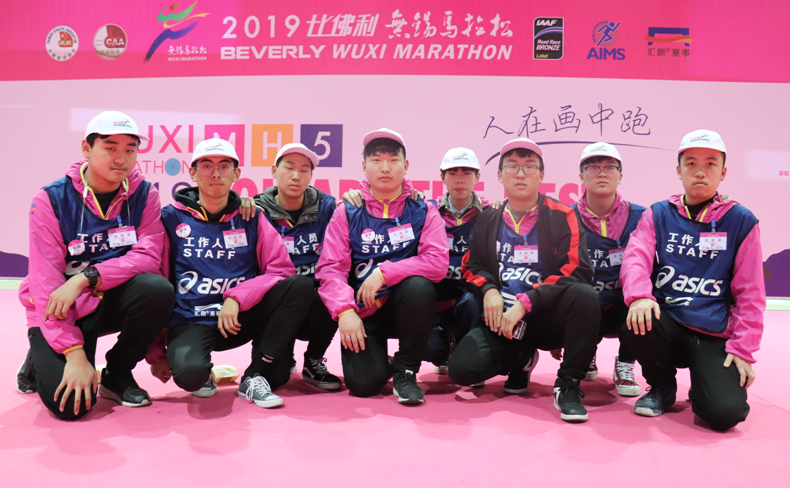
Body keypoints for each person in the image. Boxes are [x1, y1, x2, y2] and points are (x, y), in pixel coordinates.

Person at [18, 111, 174, 420]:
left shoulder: (145, 194)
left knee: (157, 289)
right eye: (110, 147)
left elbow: (148, 257)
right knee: (70, 408)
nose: (121, 158)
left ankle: (117, 373)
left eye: (129, 149)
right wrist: (74, 354)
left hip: (105, 297)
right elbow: (46, 283)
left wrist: (85, 278)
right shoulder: (51, 200)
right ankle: (41, 353)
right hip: (60, 308)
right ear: (86, 149)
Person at [148, 138, 314, 409]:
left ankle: (255, 375)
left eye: (224, 167)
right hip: (193, 318)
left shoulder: (251, 216)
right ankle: (203, 371)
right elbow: (157, 284)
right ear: (192, 173)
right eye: (206, 166)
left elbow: (281, 269)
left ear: (236, 174)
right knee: (190, 377)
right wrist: (156, 354)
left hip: (241, 316)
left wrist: (236, 298)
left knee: (300, 287)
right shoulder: (170, 218)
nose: (216, 174)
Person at [448, 137, 600, 422]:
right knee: (461, 371)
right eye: (512, 166)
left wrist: (528, 301)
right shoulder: (489, 217)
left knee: (585, 296)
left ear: (541, 175)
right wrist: (490, 290)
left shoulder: (562, 215)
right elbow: (472, 264)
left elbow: (577, 269)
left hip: (547, 317)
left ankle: (568, 385)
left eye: (529, 166)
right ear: (499, 175)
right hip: (505, 322)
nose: (520, 173)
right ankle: (522, 358)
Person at [621, 130, 764, 431]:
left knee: (724, 414)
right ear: (679, 170)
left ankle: (704, 388)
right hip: (667, 323)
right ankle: (662, 387)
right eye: (691, 163)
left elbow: (750, 292)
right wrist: (640, 296)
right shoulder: (658, 213)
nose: (700, 171)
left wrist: (743, 349)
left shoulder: (741, 221)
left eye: (710, 164)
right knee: (635, 318)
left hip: (712, 333)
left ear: (723, 172)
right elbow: (636, 258)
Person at [316, 128, 448, 405]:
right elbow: (331, 268)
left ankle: (406, 371)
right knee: (363, 384)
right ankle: (385, 363)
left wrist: (384, 272)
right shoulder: (347, 211)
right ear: (364, 166)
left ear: (406, 165)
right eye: (376, 160)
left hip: (408, 307)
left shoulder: (423, 209)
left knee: (419, 286)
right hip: (364, 308)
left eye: (393, 160)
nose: (385, 168)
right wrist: (344, 311)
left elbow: (437, 263)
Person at [252, 143, 341, 390]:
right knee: (274, 379)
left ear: (311, 176)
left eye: (304, 170)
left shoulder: (328, 207)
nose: (296, 176)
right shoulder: (255, 210)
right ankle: (284, 352)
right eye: (289, 168)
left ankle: (313, 360)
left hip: (316, 305)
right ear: (274, 171)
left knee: (336, 288)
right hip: (276, 304)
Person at [559, 142, 645, 397]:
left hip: (623, 307)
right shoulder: (565, 218)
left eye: (609, 167)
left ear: (620, 175)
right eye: (593, 167)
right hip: (586, 308)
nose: (602, 173)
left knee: (646, 295)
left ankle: (626, 363)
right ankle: (586, 353)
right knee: (578, 295)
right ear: (581, 175)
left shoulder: (643, 216)